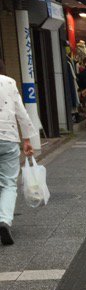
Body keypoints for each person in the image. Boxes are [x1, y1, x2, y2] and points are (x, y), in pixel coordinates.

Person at [0, 58, 36, 245]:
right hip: (8, 138)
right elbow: (21, 112)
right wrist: (27, 138)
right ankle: (4, 220)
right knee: (8, 184)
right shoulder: (9, 82)